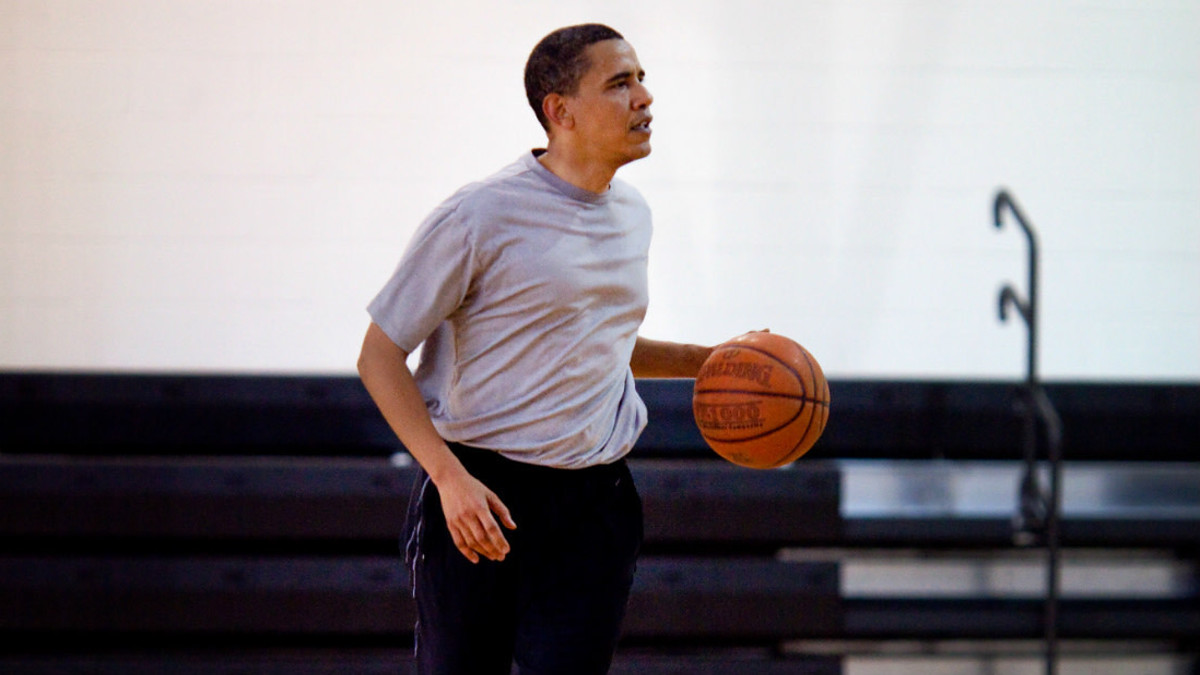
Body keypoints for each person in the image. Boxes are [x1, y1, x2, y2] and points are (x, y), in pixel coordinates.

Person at [357, 23, 713, 675]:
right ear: (561, 110)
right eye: (620, 83)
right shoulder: (480, 215)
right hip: (482, 493)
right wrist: (448, 476)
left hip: (594, 506)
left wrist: (704, 360)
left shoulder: (634, 214)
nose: (645, 98)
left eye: (641, 79)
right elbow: (379, 356)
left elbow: (594, 342)